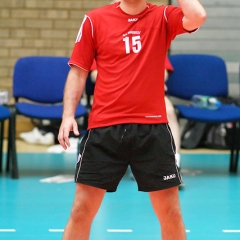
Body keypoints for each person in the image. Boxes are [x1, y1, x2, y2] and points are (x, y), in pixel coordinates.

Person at [58, 1, 206, 239]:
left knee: (171, 212)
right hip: (104, 128)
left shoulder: (163, 17)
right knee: (80, 211)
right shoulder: (94, 20)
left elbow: (197, 15)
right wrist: (67, 116)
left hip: (153, 130)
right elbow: (78, 71)